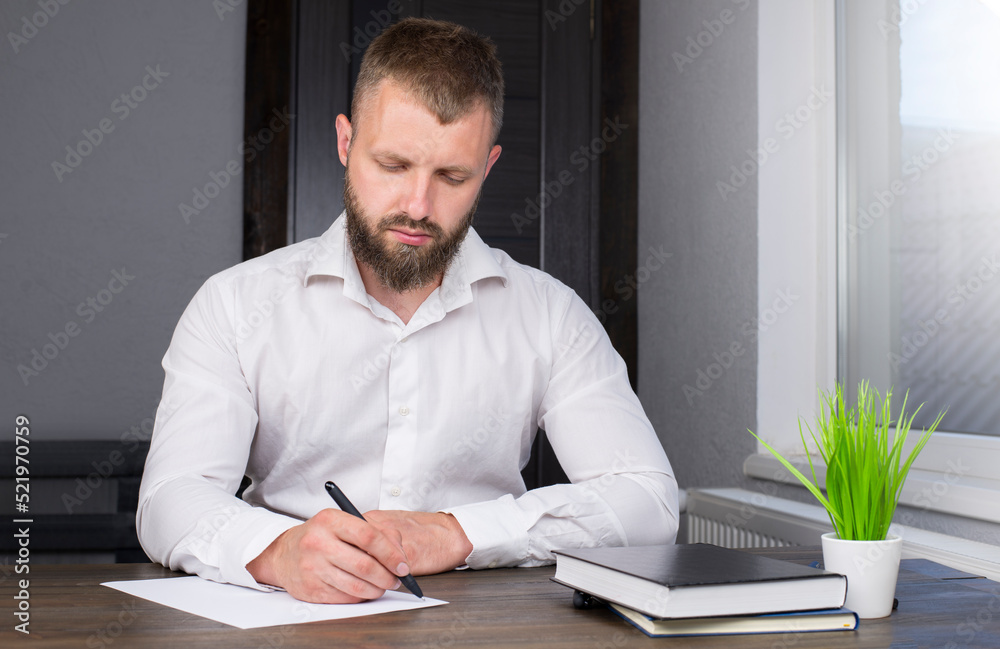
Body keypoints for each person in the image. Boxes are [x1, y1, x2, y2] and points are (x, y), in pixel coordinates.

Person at [137, 17, 678, 605]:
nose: (418, 206)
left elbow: (647, 502)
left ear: (488, 168)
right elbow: (170, 498)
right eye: (393, 166)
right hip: (286, 614)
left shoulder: (551, 315)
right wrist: (278, 550)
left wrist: (458, 533)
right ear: (345, 143)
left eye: (452, 175)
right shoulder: (233, 304)